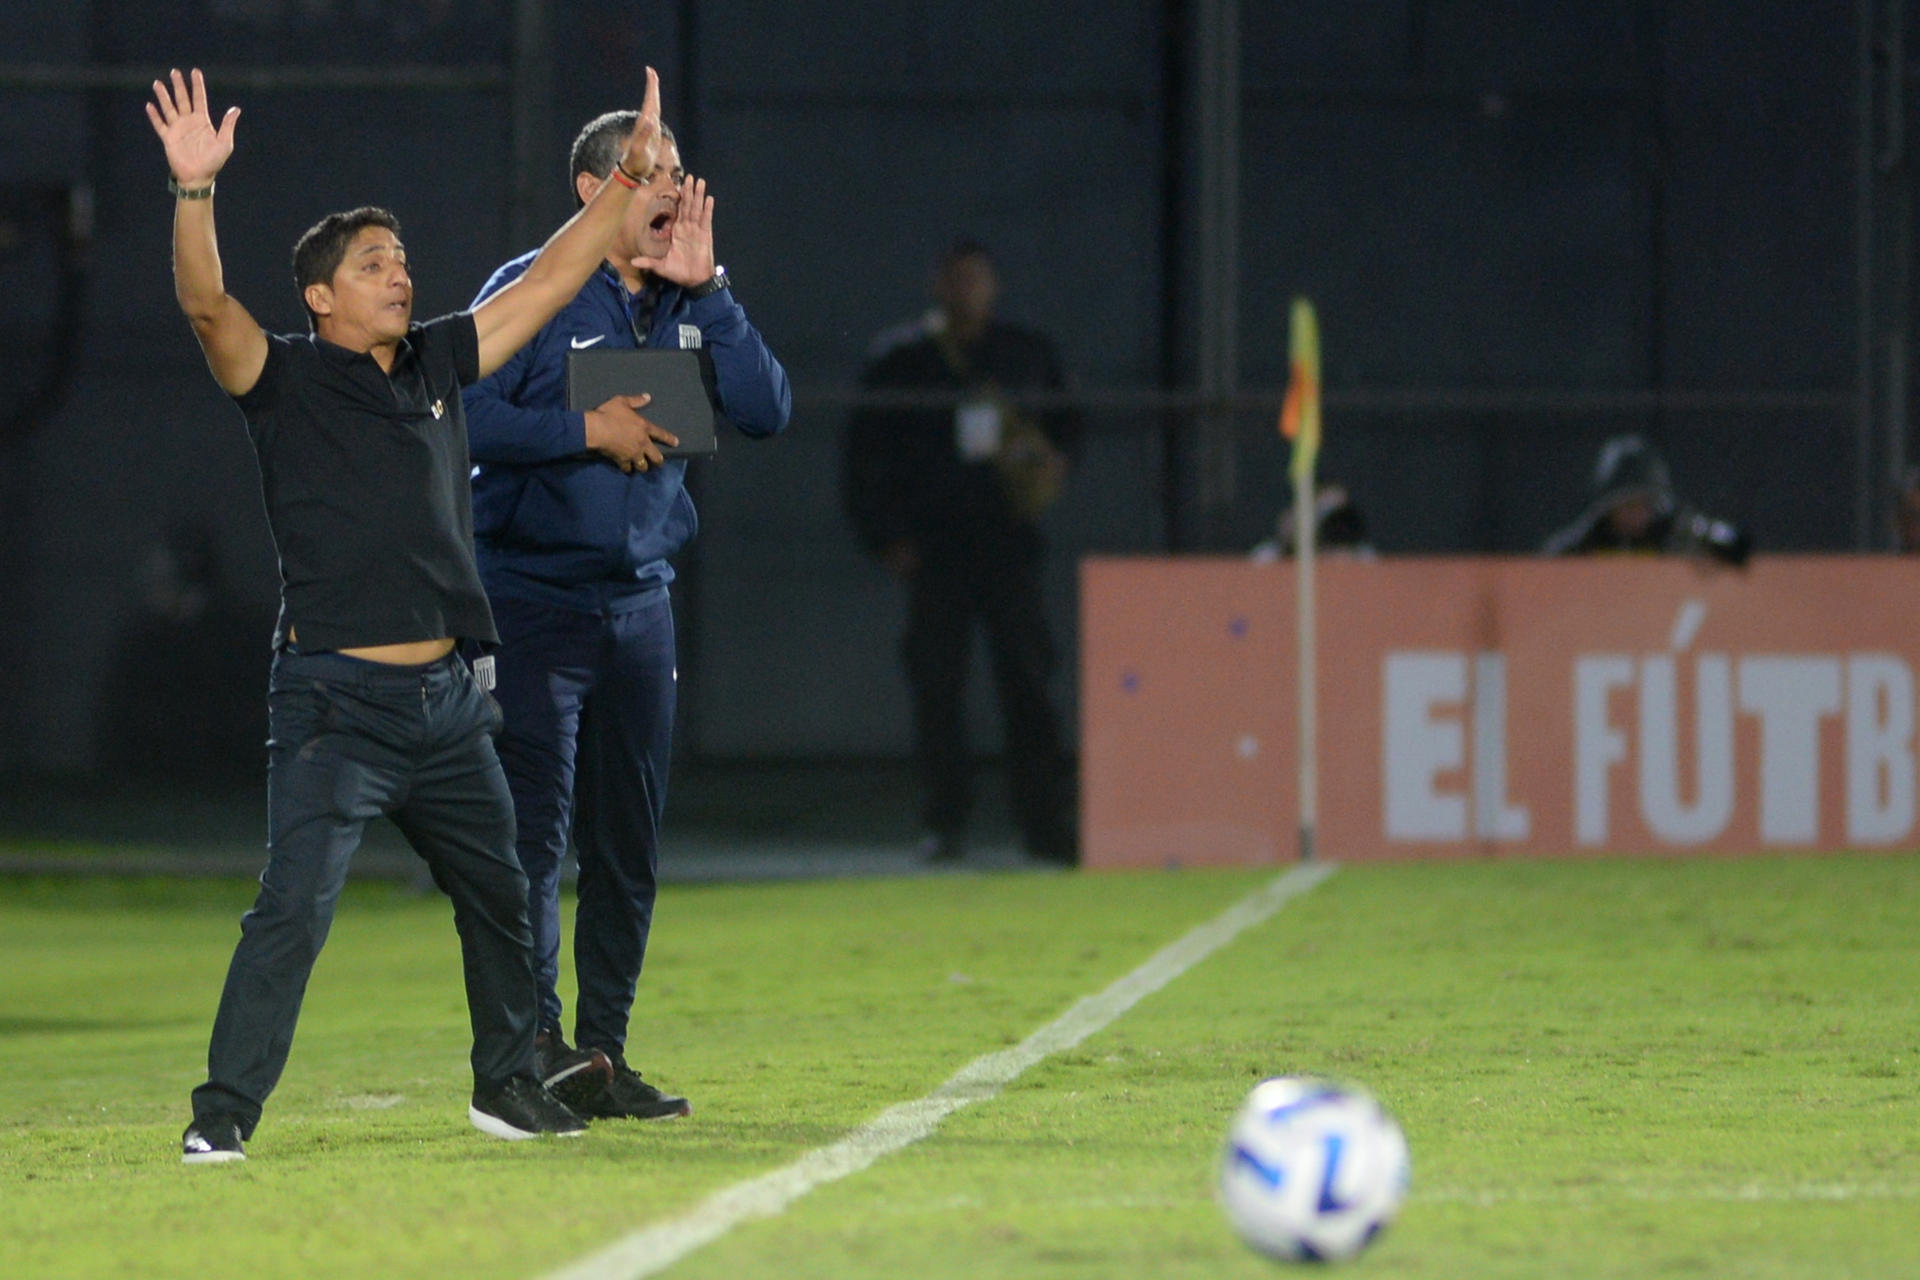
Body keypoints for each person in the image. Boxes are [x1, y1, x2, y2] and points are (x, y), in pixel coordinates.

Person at [147, 64, 668, 1163]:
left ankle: (504, 1083)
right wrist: (196, 190)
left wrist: (623, 185)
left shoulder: (434, 358)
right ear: (321, 297)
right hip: (337, 701)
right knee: (293, 909)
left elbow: (546, 285)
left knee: (502, 890)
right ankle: (223, 1113)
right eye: (372, 263)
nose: (398, 272)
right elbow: (204, 303)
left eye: (401, 257)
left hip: (444, 703)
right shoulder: (281, 377)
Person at [461, 109, 791, 1120]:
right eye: (650, 172)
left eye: (680, 171)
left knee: (626, 843)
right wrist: (583, 431)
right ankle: (533, 1049)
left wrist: (716, 291)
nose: (671, 190)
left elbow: (768, 408)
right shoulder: (535, 287)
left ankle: (601, 1051)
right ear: (592, 190)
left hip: (641, 607)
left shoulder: (693, 296)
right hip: (534, 598)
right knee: (531, 838)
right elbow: (462, 408)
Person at [843, 239, 1080, 866]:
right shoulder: (901, 360)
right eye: (956, 279)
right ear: (937, 285)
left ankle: (1045, 822)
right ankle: (944, 822)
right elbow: (862, 457)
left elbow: (1069, 426)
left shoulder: (1026, 354)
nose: (967, 290)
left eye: (977, 279)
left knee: (1029, 681)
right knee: (937, 686)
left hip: (1008, 542)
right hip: (934, 547)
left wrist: (1054, 464)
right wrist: (886, 537)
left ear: (993, 286)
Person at [1542, 433, 1750, 565]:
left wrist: (1712, 540)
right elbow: (1543, 569)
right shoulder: (1586, 538)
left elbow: (1735, 545)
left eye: (1645, 504)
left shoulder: (1674, 531)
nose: (1637, 513)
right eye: (1628, 505)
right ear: (1607, 506)